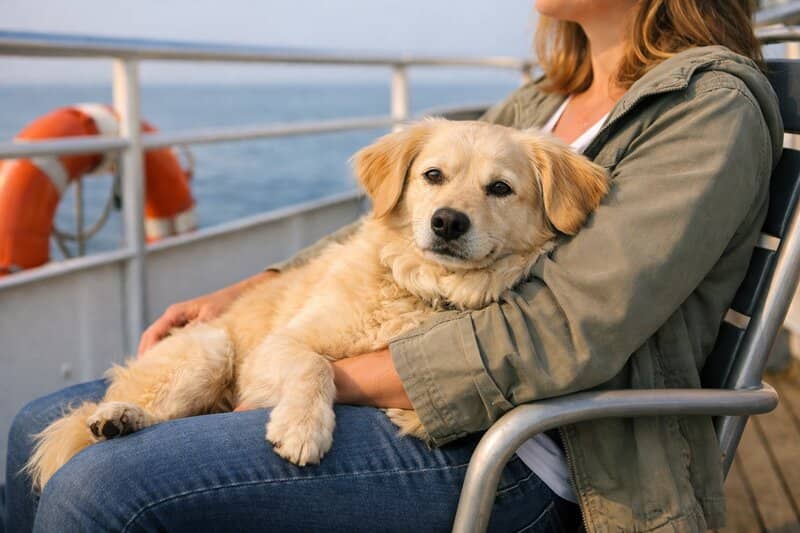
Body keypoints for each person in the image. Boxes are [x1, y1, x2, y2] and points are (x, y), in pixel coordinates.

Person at [4, 0, 782, 531]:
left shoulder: (705, 106)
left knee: (101, 485)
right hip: (415, 396)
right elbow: (393, 225)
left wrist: (324, 371)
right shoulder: (545, 98)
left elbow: (568, 329)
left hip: (541, 450)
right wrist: (252, 289)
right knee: (34, 425)